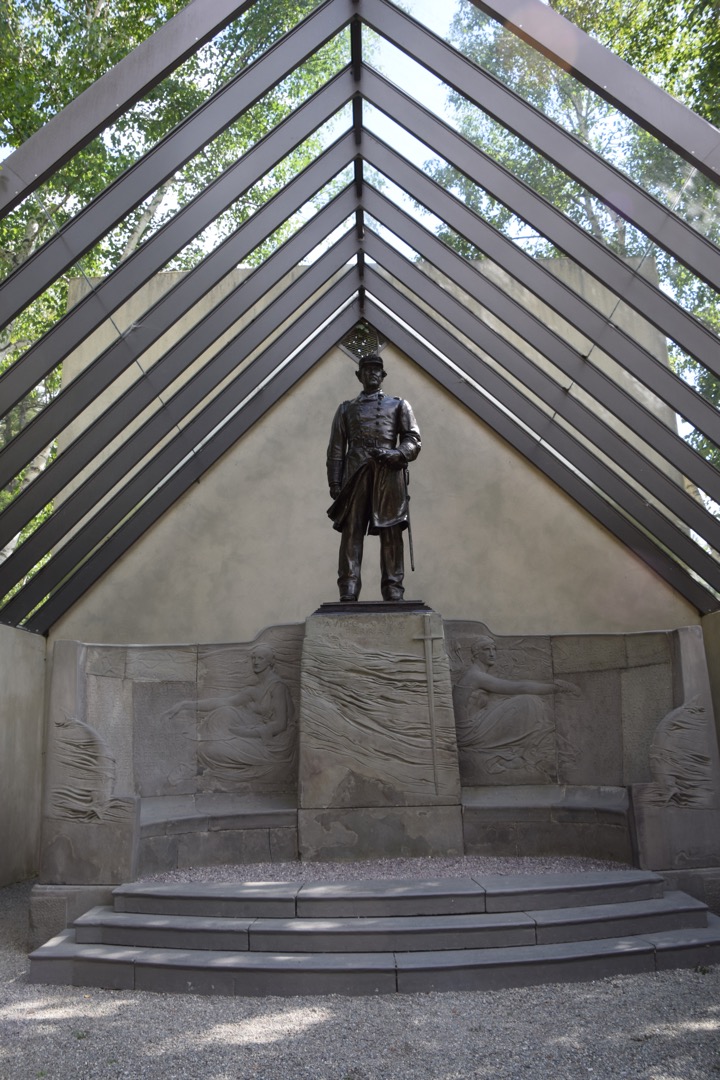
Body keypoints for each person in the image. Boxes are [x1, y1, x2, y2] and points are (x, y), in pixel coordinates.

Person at [326, 354, 420, 601]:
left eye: (376, 370)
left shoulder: (399, 405)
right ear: (359, 376)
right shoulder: (346, 409)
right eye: (366, 370)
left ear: (383, 375)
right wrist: (335, 482)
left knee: (391, 531)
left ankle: (393, 587)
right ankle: (348, 586)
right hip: (354, 473)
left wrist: (397, 453)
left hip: (388, 474)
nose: (372, 374)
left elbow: (413, 439)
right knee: (351, 531)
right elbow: (336, 449)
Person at [167, 644, 295, 788]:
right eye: (253, 658)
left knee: (207, 750)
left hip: (274, 746)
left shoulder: (278, 687)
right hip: (257, 736)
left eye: (261, 658)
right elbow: (222, 702)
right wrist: (186, 704)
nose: (256, 662)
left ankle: (195, 764)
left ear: (270, 662)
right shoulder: (255, 690)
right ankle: (194, 762)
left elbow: (280, 724)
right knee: (224, 712)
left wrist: (246, 732)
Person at [452, 635, 579, 779]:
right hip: (470, 732)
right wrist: (557, 688)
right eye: (486, 649)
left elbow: (517, 685)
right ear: (476, 654)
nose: (492, 653)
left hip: (477, 724)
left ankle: (524, 749)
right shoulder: (475, 676)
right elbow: (518, 687)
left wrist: (552, 684)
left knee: (525, 702)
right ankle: (523, 751)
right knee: (527, 701)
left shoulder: (479, 675)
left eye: (494, 649)